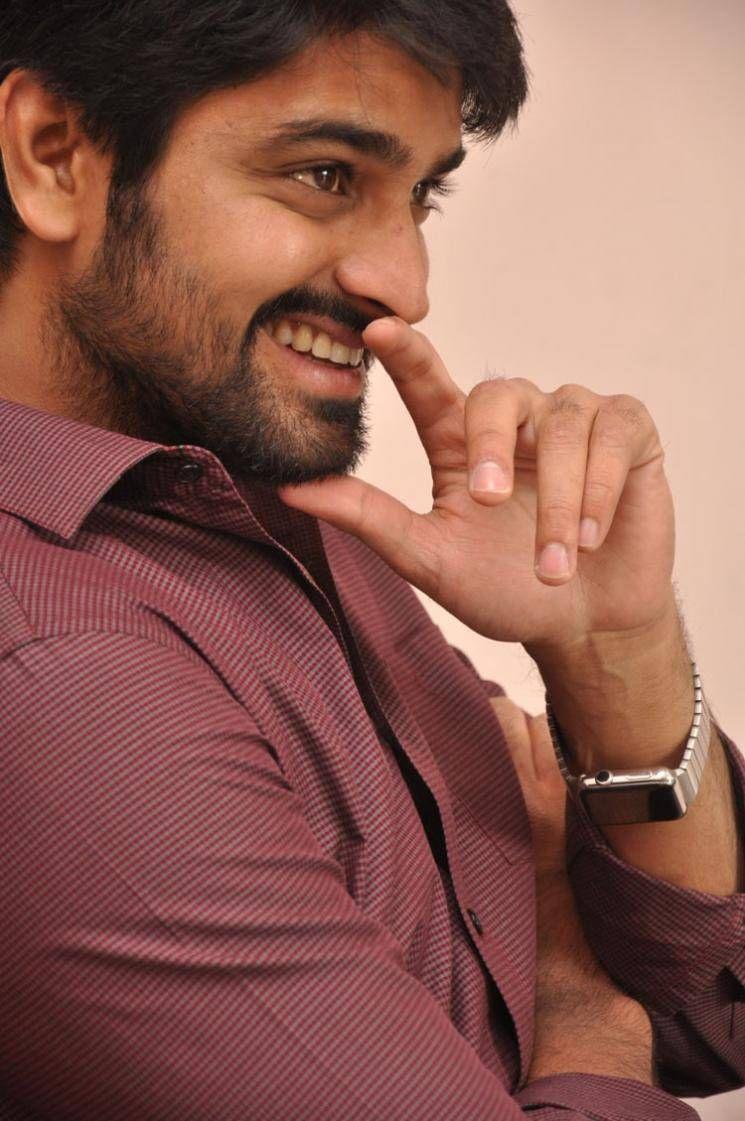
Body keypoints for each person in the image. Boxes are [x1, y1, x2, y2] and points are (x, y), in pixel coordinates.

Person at [0, 3, 742, 1119]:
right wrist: (583, 1009)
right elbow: (643, 1015)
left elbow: (709, 1010)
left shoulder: (267, 515)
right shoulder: (54, 667)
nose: (406, 283)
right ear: (54, 153)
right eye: (325, 176)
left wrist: (612, 650)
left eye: (421, 196)